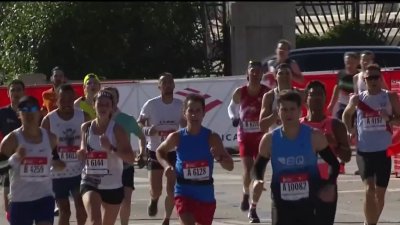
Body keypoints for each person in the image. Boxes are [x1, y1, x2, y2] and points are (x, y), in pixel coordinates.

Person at [253, 90, 340, 225]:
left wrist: (329, 184)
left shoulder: (314, 136)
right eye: (284, 109)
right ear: (278, 112)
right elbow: (258, 166)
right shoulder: (269, 140)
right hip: (281, 204)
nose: (288, 113)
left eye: (292, 109)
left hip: (309, 204)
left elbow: (334, 163)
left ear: (300, 111)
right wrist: (258, 179)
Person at [156, 93, 234, 225]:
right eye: (190, 111)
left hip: (205, 194)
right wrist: (166, 166)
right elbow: (160, 151)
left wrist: (220, 158)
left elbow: (230, 166)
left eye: (198, 111)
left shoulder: (212, 137)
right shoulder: (177, 137)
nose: (194, 115)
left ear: (203, 113)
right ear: (184, 113)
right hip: (183, 191)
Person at [342, 64, 400, 225]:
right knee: (369, 189)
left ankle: (370, 222)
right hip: (365, 151)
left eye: (376, 77)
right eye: (369, 78)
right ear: (364, 80)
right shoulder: (357, 98)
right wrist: (349, 129)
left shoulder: (390, 97)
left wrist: (388, 118)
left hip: (384, 151)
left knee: (379, 195)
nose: (373, 81)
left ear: (380, 78)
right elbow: (346, 114)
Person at [0, 96, 65, 225]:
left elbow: (58, 164)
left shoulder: (51, 138)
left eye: (33, 108)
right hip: (20, 199)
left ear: (40, 112)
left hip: (44, 197)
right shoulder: (11, 140)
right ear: (19, 114)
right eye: (24, 109)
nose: (29, 112)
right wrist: (16, 157)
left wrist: (57, 164)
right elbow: (1, 168)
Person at [77, 90, 135, 225]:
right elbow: (83, 148)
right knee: (95, 221)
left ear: (112, 108)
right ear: (93, 106)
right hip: (90, 181)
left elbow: (131, 158)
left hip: (113, 185)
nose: (103, 107)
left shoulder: (118, 130)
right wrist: (81, 153)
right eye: (100, 104)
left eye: (106, 105)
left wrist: (111, 148)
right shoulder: (85, 127)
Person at [301, 80, 352, 225]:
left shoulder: (336, 125)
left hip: (328, 183)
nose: (317, 98)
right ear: (306, 99)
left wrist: (334, 144)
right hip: (304, 183)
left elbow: (347, 157)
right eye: (313, 94)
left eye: (320, 94)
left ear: (325, 98)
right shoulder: (299, 126)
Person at [137, 72, 186, 225]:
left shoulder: (180, 104)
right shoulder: (151, 104)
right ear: (159, 86)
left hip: (173, 151)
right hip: (155, 150)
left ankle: (166, 218)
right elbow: (140, 123)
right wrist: (147, 130)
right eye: (164, 83)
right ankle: (153, 199)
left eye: (170, 82)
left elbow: (185, 123)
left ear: (174, 85)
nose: (167, 85)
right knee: (156, 189)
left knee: (172, 189)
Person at [41, 84, 90, 225]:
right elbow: (42, 145)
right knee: (65, 211)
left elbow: (92, 139)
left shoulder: (83, 116)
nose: (67, 103)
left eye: (70, 99)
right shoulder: (49, 120)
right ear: (57, 100)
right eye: (63, 99)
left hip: (79, 171)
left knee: (81, 208)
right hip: (58, 174)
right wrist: (53, 160)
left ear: (74, 99)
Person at [227, 60, 269, 223]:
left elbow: (273, 110)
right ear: (248, 73)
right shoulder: (240, 91)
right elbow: (231, 107)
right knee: (247, 170)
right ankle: (245, 192)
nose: (255, 73)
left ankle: (253, 208)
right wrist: (234, 118)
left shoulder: (266, 93)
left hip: (261, 138)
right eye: (252, 71)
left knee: (258, 175)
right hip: (244, 137)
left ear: (261, 74)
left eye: (258, 71)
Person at [103, 86, 146, 225]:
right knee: (107, 204)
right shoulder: (97, 121)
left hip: (125, 166)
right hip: (106, 167)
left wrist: (142, 152)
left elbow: (141, 136)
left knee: (126, 201)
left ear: (117, 100)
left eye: (112, 97)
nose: (110, 99)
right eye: (106, 96)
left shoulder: (127, 119)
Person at [0, 79, 25, 222]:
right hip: (8, 161)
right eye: (13, 90)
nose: (15, 93)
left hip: (29, 160)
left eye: (18, 90)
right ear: (8, 94)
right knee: (8, 201)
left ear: (24, 92)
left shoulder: (30, 111)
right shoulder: (2, 113)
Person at [259, 63, 305, 133]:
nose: (284, 76)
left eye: (287, 73)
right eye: (281, 73)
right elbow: (262, 126)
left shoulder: (301, 94)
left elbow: (313, 117)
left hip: (297, 139)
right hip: (277, 140)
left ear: (292, 76)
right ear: (275, 76)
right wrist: (275, 115)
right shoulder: (270, 96)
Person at [327, 52, 360, 119]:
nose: (349, 65)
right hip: (342, 105)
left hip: (356, 107)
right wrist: (331, 104)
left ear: (357, 62)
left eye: (352, 63)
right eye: (347, 63)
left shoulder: (360, 76)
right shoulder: (341, 74)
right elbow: (337, 88)